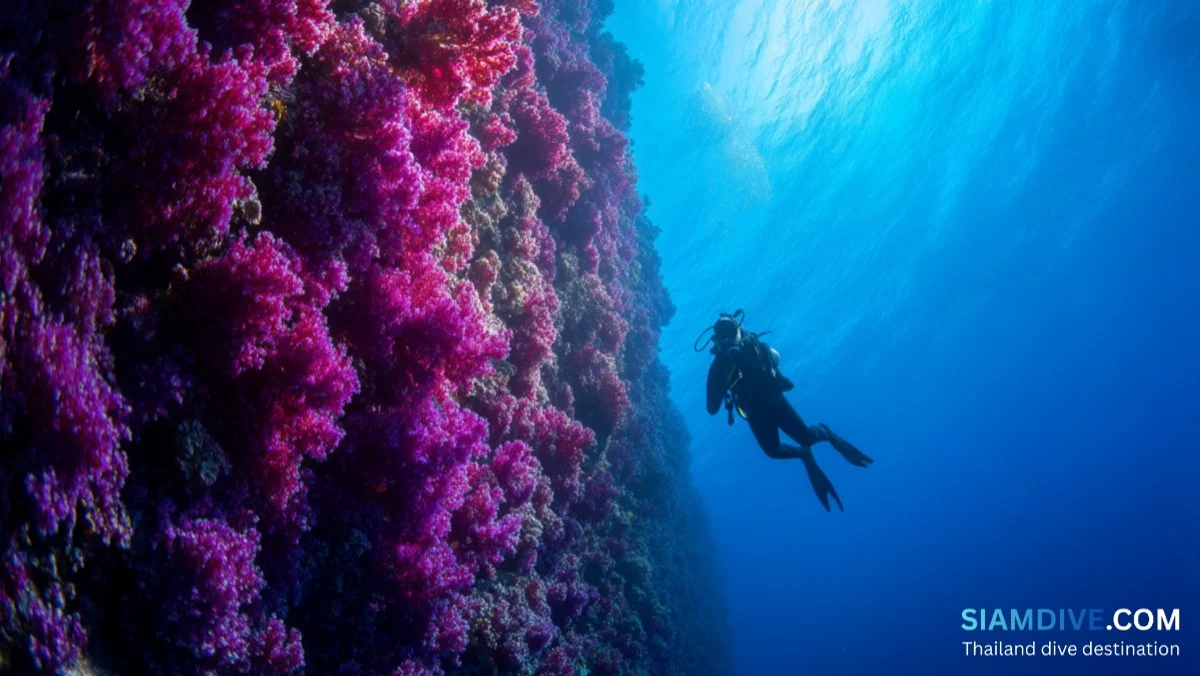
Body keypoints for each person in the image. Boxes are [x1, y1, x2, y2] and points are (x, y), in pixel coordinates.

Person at [695, 310, 873, 511]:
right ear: (717, 342)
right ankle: (805, 455)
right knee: (773, 451)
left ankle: (829, 435)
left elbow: (775, 370)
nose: (728, 340)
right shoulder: (719, 367)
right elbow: (712, 409)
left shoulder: (756, 346)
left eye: (730, 333)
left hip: (776, 403)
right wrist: (720, 377)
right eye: (722, 336)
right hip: (757, 415)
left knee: (806, 437)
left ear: (739, 330)